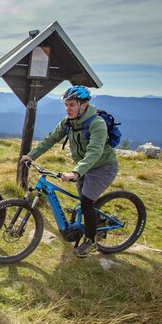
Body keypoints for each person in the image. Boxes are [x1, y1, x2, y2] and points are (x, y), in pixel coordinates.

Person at [20, 85, 118, 258]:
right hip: (83, 167)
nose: (68, 109)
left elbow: (94, 152)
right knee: (84, 200)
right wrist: (31, 155)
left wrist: (76, 172)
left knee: (87, 202)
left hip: (103, 167)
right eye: (66, 105)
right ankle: (94, 221)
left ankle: (91, 241)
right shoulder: (67, 122)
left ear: (84, 105)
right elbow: (50, 139)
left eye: (72, 105)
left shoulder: (97, 124)